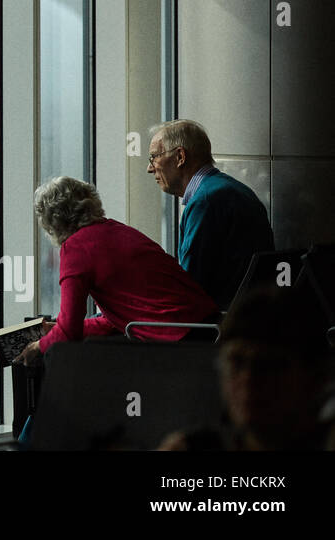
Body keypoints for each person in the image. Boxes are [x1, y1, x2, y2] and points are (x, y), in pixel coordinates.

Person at [17, 176, 220, 367]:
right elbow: (110, 322)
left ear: (52, 222)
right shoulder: (118, 230)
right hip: (210, 330)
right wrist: (55, 329)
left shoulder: (76, 248)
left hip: (176, 341)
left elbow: (69, 332)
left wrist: (37, 346)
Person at [159, 286, 335, 451]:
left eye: (269, 365)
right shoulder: (193, 446)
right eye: (236, 363)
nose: (248, 379)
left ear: (316, 376)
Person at [147, 119, 274, 309]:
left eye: (154, 157)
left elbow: (190, 285)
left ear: (180, 156)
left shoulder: (205, 201)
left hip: (219, 325)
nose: (150, 168)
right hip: (249, 317)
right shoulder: (233, 189)